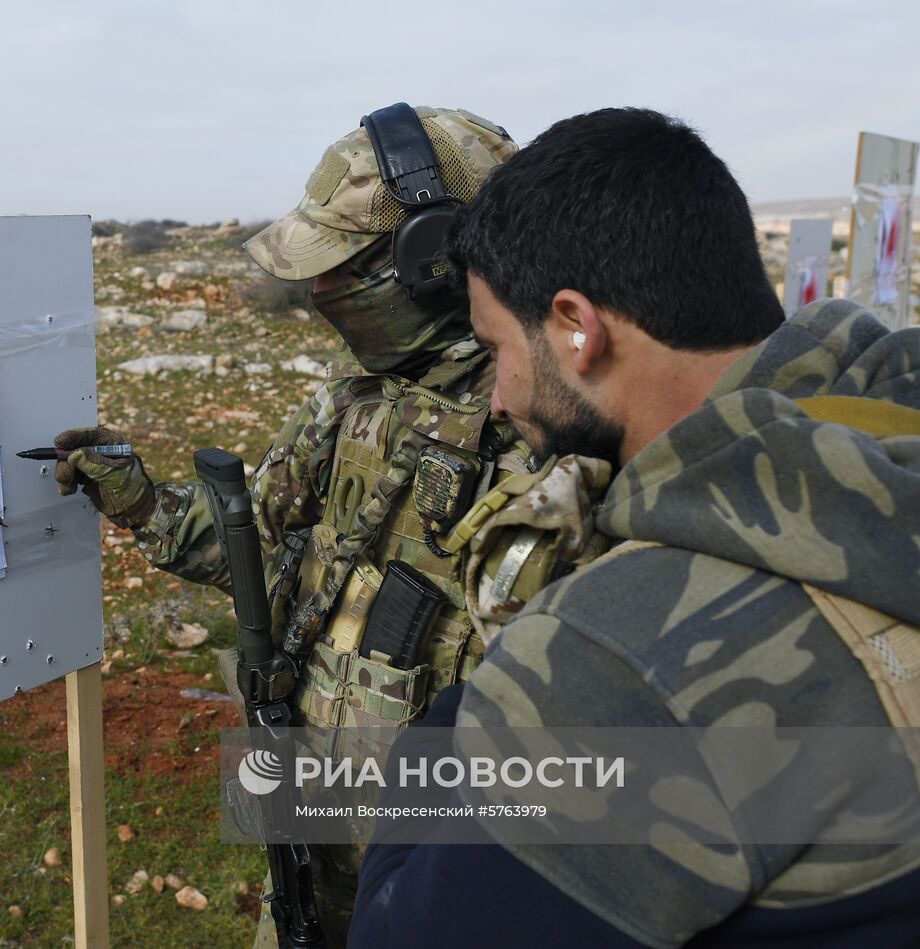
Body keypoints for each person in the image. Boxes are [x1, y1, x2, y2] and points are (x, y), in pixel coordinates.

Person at [350, 107, 920, 947]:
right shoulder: (887, 428)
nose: (499, 399)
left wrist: (483, 699)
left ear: (578, 327)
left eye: (496, 346)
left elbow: (401, 932)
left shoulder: (619, 660)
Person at [54, 105, 586, 947]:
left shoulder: (557, 430)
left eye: (343, 271)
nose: (319, 295)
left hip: (442, 881)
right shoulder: (351, 403)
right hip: (311, 826)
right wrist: (140, 498)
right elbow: (254, 548)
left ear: (436, 262)